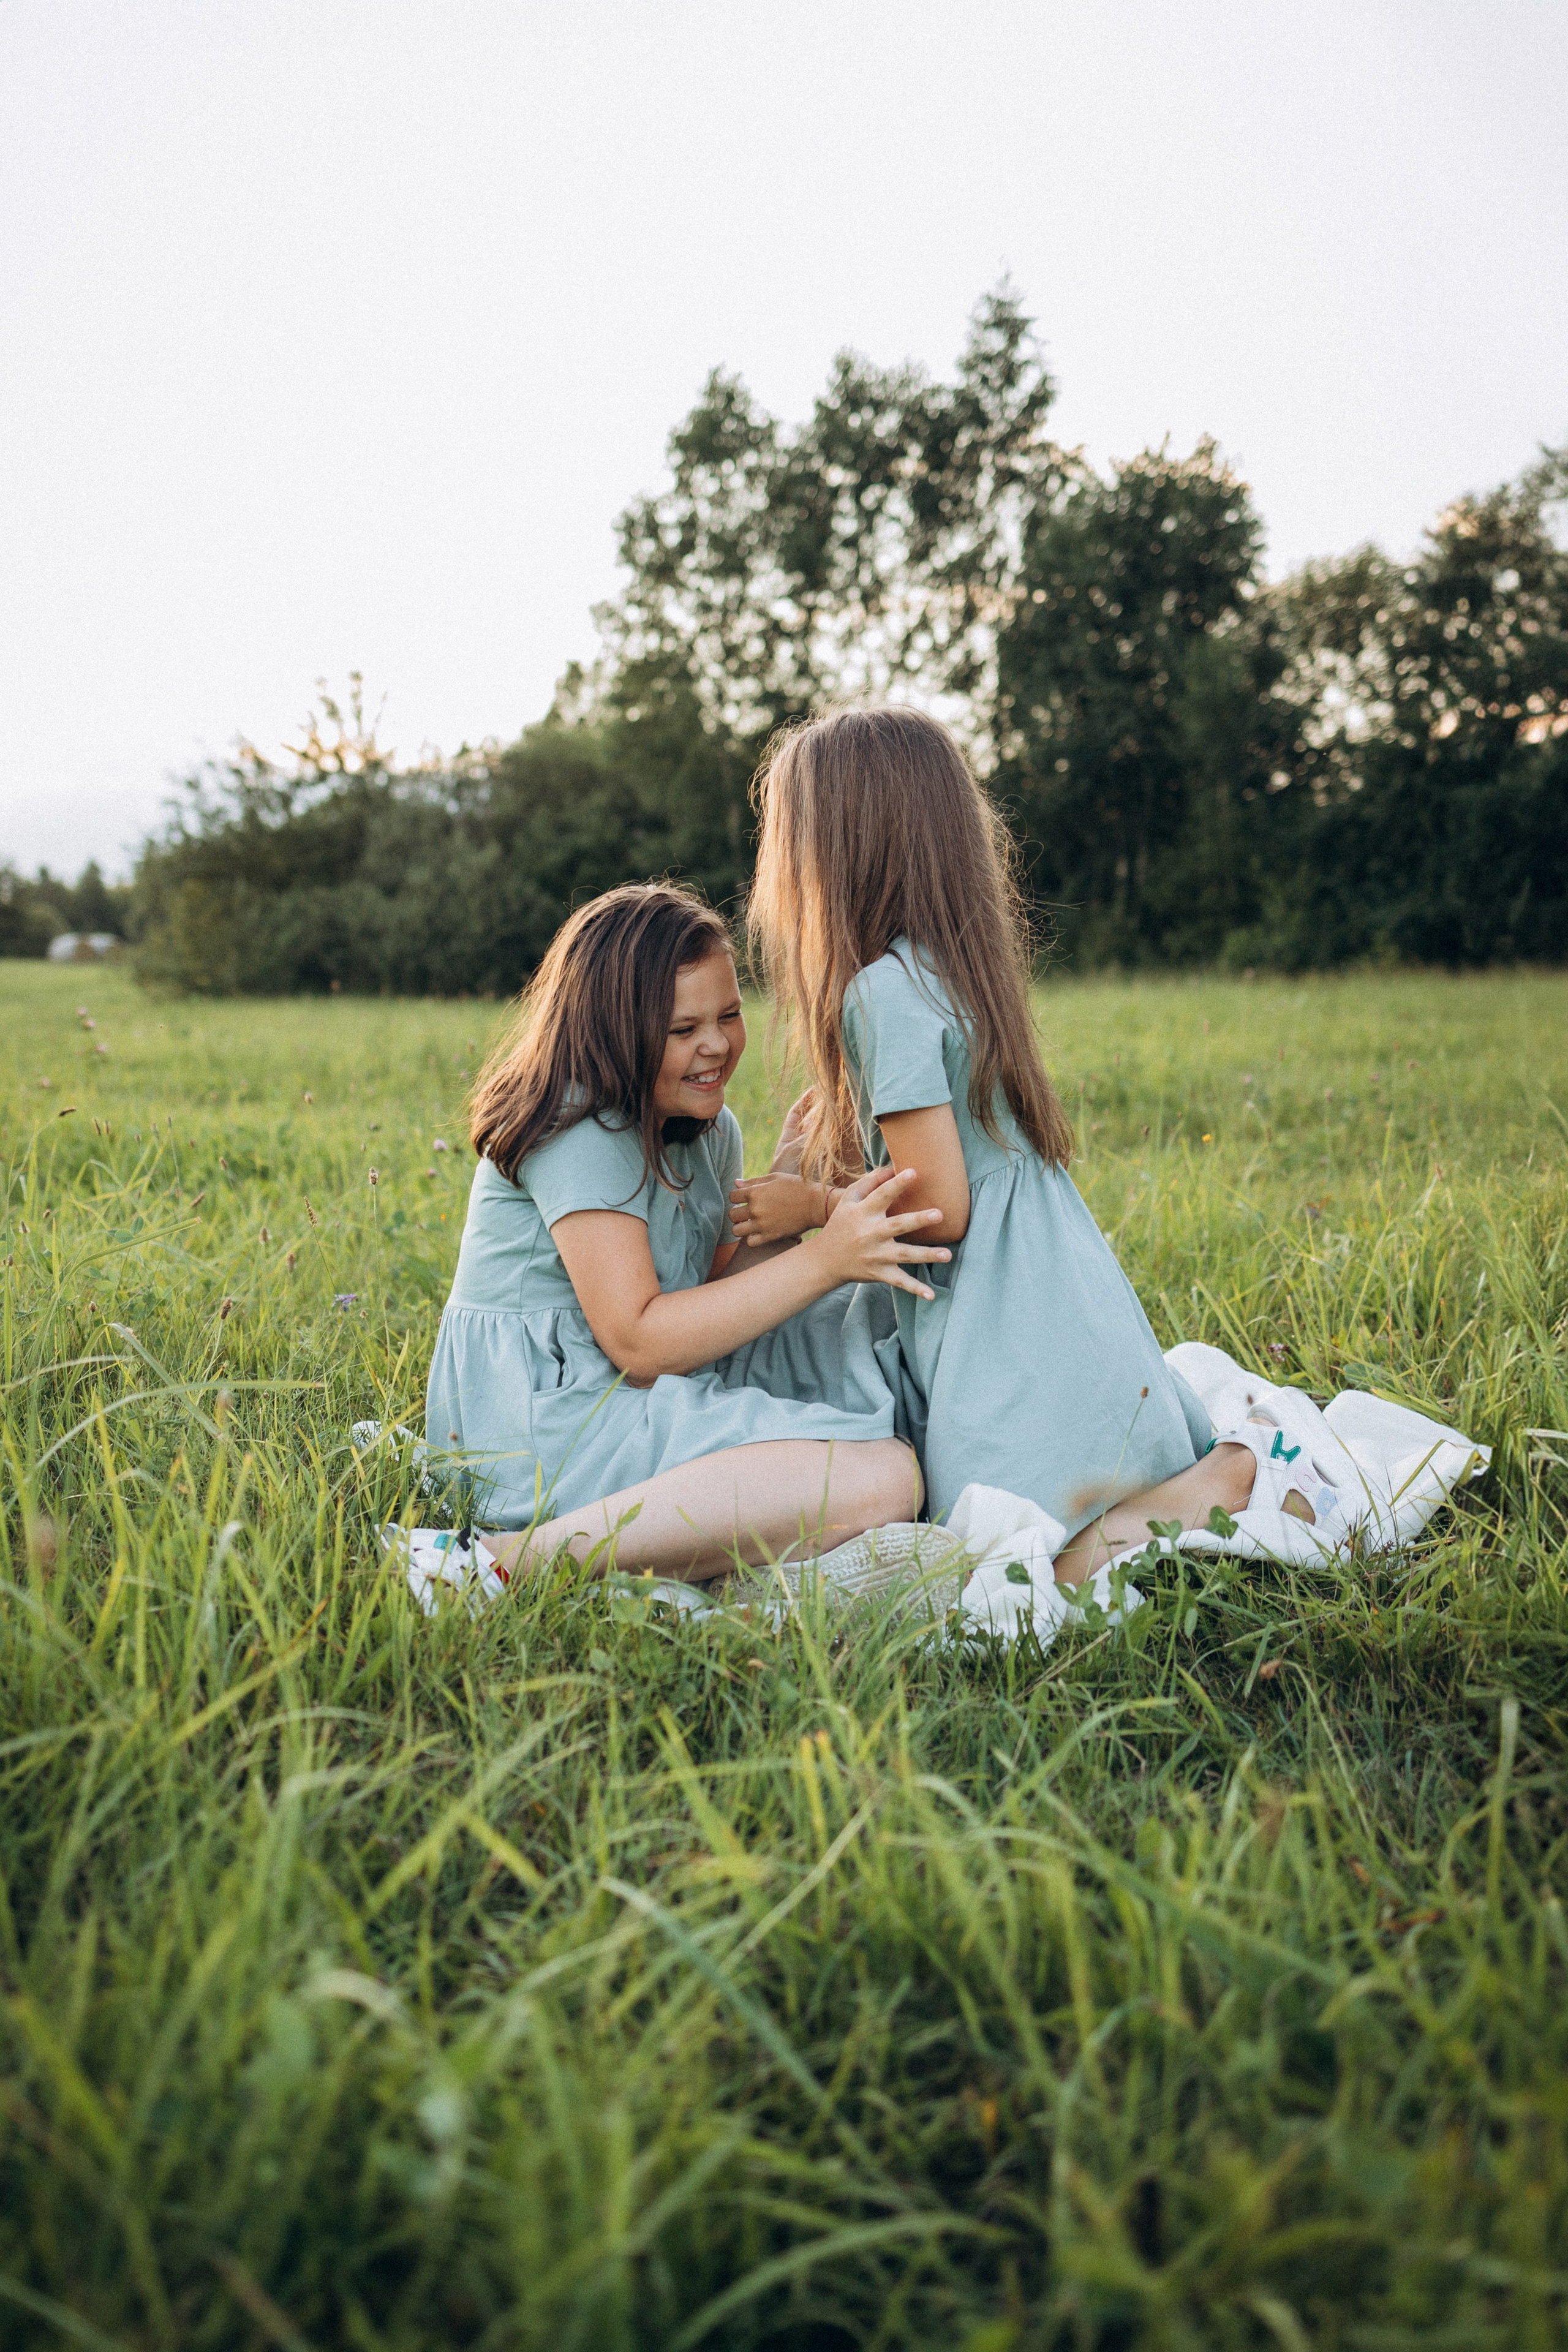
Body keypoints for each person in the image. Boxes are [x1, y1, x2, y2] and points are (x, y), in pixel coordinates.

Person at [733, 706, 1335, 1583]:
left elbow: (940, 1209)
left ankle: (1231, 1477)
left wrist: (815, 1209)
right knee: (1022, 1560)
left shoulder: (880, 994)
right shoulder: (946, 968)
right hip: (1056, 1299)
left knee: (1016, 1572)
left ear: (837, 851)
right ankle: (1193, 1477)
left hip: (1008, 1324)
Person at [399, 882, 946, 1595]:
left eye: (729, 1015)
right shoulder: (578, 1130)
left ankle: (711, 1540)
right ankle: (499, 1559)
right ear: (613, 1031)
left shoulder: (707, 1132)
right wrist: (824, 1260)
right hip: (538, 1423)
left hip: (628, 1391)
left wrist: (785, 1198)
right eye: (682, 1031)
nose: (715, 1045)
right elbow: (641, 1344)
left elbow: (710, 1310)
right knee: (883, 1478)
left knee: (872, 1371)